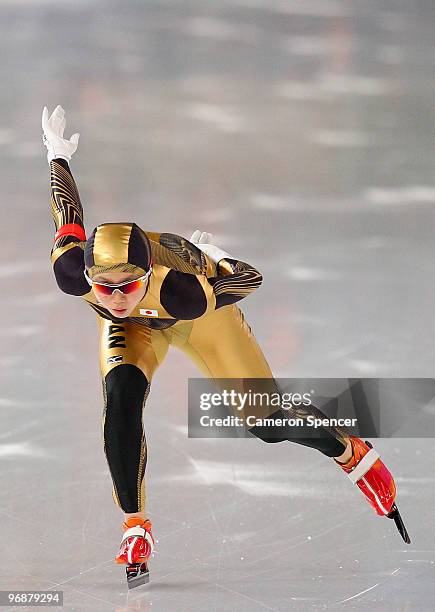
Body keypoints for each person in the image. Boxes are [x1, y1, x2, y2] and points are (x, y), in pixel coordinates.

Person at [42, 105, 407, 585]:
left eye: (126, 287)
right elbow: (68, 215)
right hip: (137, 332)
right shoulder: (73, 274)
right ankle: (135, 526)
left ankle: (350, 451)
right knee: (120, 405)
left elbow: (252, 278)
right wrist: (58, 156)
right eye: (102, 287)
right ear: (86, 276)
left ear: (147, 275)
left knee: (268, 424)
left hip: (202, 320)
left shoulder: (182, 289)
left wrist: (219, 258)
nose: (114, 298)